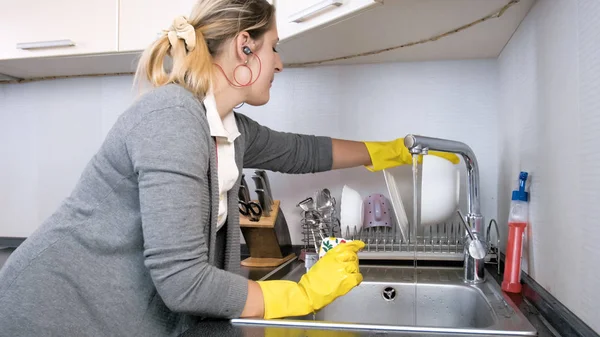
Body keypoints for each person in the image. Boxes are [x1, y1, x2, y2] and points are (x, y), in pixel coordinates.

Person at [0, 1, 459, 336]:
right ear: (245, 46)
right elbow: (182, 282)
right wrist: (300, 296)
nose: (279, 62)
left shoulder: (224, 126)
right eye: (273, 48)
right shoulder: (172, 119)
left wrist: (389, 151)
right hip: (45, 310)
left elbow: (301, 151)